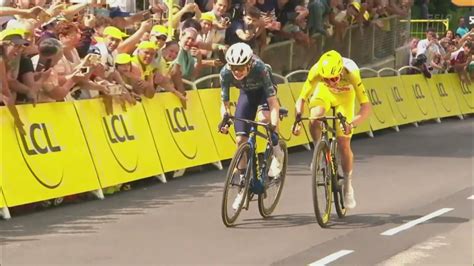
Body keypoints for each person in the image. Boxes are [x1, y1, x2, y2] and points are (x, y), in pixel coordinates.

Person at [293, 50, 372, 209]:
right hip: (324, 94)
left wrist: (352, 123)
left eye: (334, 79)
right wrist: (298, 120)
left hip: (345, 97)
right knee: (315, 116)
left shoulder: (351, 73)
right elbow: (301, 99)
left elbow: (366, 106)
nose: (331, 82)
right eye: (326, 79)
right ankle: (319, 152)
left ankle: (348, 185)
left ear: (340, 71)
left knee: (344, 142)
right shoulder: (317, 71)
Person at [218, 42, 284, 209]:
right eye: (234, 68)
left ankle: (276, 150)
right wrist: (225, 120)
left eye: (241, 67)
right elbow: (225, 104)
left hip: (264, 92)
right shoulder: (225, 73)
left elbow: (273, 103)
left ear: (249, 64)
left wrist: (273, 127)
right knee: (240, 140)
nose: (237, 71)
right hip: (246, 94)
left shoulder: (260, 68)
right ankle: (242, 185)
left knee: (263, 118)